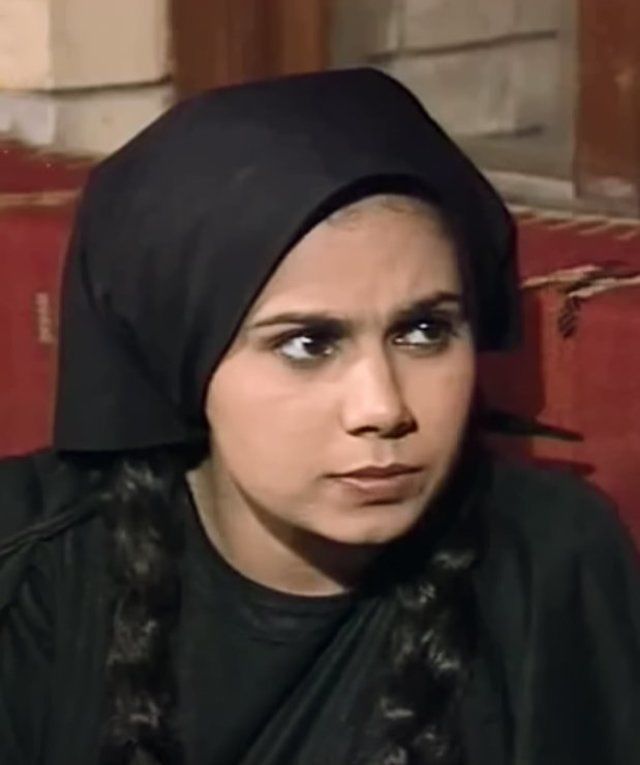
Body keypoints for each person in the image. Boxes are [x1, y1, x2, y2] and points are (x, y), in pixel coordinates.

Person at [0, 69, 638, 765]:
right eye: (308, 344)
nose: (383, 408)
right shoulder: (37, 566)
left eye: (424, 331)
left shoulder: (548, 564)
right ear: (181, 359)